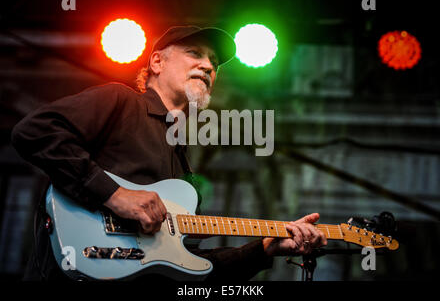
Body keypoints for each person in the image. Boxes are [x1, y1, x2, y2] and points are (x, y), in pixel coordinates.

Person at [11, 25, 327, 281]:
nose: (207, 66)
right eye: (195, 54)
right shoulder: (119, 101)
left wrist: (265, 249)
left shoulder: (182, 166)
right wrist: (115, 195)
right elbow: (35, 131)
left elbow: (190, 268)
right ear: (157, 62)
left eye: (214, 63)